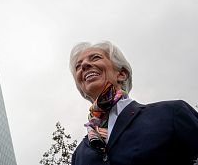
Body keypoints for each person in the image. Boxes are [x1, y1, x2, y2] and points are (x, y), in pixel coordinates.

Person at [69, 41, 198, 165]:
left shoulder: (171, 113)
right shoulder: (79, 155)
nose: (84, 65)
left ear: (122, 74)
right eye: (78, 66)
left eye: (95, 57)